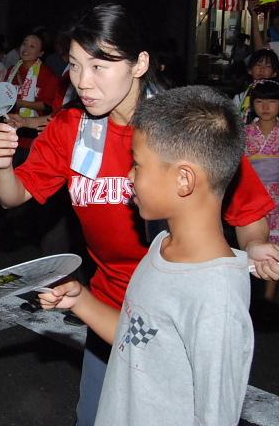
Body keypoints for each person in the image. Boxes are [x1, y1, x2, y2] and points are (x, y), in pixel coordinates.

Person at [0, 2, 279, 425]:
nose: (83, 81)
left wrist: (257, 246)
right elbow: (13, 196)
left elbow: (244, 207)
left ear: (139, 64)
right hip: (108, 309)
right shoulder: (72, 127)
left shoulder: (180, 128)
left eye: (100, 66)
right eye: (75, 65)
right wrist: (2, 164)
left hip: (177, 313)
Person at [39, 85, 254, 425]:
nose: (128, 176)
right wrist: (80, 300)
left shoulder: (217, 302)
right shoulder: (161, 246)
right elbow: (137, 340)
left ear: (184, 180)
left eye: (138, 165)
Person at [2, 32, 63, 164]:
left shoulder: (47, 74)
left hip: (32, 135)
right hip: (11, 131)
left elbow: (47, 105)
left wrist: (20, 103)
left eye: (32, 46)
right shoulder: (12, 70)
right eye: (24, 44)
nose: (26, 49)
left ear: (41, 53)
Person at [246, 79, 279, 302]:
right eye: (260, 101)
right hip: (252, 193)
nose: (265, 107)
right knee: (252, 240)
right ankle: (256, 296)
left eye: (272, 101)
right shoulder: (245, 132)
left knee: (275, 245)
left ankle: (268, 296)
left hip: (278, 195)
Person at [232, 48, 279, 122]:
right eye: (258, 65)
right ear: (249, 70)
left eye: (268, 66)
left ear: (275, 73)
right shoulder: (239, 99)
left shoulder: (277, 95)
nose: (262, 69)